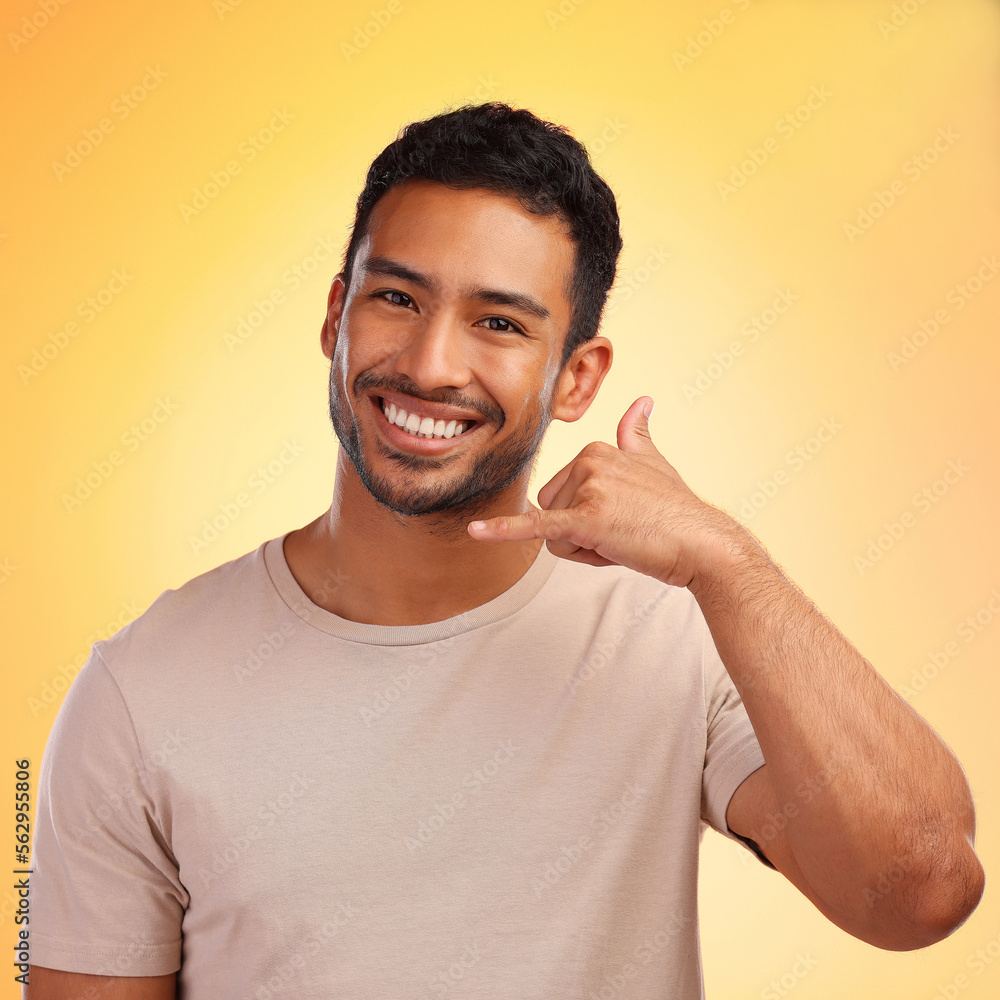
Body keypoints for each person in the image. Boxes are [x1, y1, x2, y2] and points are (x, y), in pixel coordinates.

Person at [27, 102, 984, 999]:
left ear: (578, 376)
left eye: (498, 323)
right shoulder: (137, 691)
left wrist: (730, 563)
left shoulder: (682, 637)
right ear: (333, 317)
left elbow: (920, 894)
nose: (432, 365)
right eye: (396, 297)